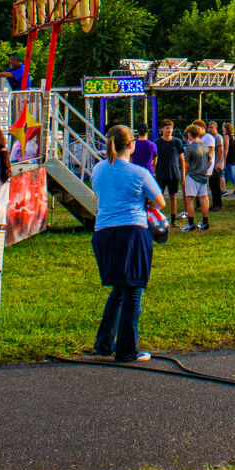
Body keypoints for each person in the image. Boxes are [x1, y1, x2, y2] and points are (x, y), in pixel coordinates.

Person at [90, 124, 165, 363]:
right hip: (132, 232)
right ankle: (126, 349)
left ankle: (104, 343)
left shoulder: (98, 169)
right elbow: (159, 202)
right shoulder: (139, 173)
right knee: (133, 291)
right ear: (131, 145)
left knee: (119, 291)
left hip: (103, 232)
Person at [181, 124, 213, 233]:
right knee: (203, 198)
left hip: (193, 175)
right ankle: (205, 222)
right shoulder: (205, 146)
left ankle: (190, 223)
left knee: (190, 199)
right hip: (203, 176)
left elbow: (186, 164)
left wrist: (186, 175)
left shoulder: (190, 148)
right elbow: (209, 161)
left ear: (190, 134)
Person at [154, 120, 184, 211]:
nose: (169, 130)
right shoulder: (157, 143)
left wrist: (183, 175)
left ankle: (173, 219)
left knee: (173, 196)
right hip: (161, 173)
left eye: (171, 128)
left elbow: (181, 159)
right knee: (159, 196)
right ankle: (158, 218)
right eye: (167, 128)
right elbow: (154, 159)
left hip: (174, 173)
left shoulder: (177, 142)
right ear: (162, 129)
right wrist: (154, 172)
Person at [204, 121, 224, 210]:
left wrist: (217, 163)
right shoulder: (209, 137)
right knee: (212, 185)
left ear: (216, 128)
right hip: (210, 165)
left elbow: (221, 150)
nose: (210, 129)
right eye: (209, 127)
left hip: (216, 165)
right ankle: (213, 204)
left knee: (216, 185)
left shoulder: (218, 137)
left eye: (212, 127)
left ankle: (217, 204)